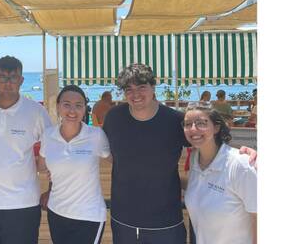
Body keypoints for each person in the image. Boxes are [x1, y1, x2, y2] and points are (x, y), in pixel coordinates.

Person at [103, 63, 257, 244]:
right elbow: (105, 149)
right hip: (123, 220)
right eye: (129, 89)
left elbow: (208, 140)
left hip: (166, 221)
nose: (135, 94)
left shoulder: (175, 120)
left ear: (153, 87)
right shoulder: (114, 118)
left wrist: (242, 151)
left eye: (142, 87)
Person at [0, 56, 53, 244]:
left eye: (13, 77)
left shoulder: (36, 111)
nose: (8, 83)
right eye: (2, 77)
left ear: (21, 80)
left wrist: (52, 189)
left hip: (25, 203)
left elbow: (54, 152)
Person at [37, 85, 109, 244]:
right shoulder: (48, 135)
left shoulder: (96, 136)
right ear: (58, 107)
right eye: (66, 104)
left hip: (89, 216)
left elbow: (115, 159)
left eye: (78, 105)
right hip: (57, 212)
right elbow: (42, 166)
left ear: (85, 109)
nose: (72, 110)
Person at [182, 103, 257, 244]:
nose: (193, 129)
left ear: (216, 127)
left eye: (201, 123)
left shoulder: (241, 165)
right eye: (187, 124)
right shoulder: (194, 160)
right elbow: (202, 187)